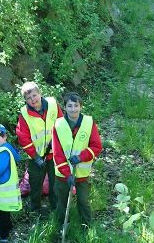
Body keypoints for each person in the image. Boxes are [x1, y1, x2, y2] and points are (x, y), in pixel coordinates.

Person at [52, 92, 103, 233]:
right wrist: (67, 174)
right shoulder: (58, 125)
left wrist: (81, 157)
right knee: (61, 202)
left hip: (82, 174)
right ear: (65, 107)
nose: (73, 109)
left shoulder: (89, 122)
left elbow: (96, 146)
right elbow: (57, 153)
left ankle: (86, 226)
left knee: (83, 201)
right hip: (62, 175)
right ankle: (62, 225)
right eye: (70, 106)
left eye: (76, 105)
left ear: (81, 106)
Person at [15, 81, 63, 216]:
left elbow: (62, 124)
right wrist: (35, 157)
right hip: (36, 157)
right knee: (35, 183)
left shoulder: (53, 105)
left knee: (56, 183)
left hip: (54, 154)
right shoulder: (24, 114)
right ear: (25, 100)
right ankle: (35, 209)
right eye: (28, 98)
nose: (32, 100)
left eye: (34, 96)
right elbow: (23, 137)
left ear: (40, 93)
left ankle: (56, 208)